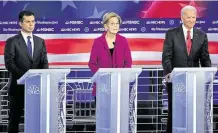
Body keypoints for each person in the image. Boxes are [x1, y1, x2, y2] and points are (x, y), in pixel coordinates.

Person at [162, 5, 211, 133]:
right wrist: (170, 75)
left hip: (195, 81)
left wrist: (207, 75)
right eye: (188, 17)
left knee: (194, 110)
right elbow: (166, 57)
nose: (191, 20)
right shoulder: (171, 34)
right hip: (175, 80)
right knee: (175, 111)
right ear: (182, 17)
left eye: (193, 17)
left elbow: (205, 58)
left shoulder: (202, 35)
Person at [4, 10, 49, 133]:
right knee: (14, 119)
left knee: (37, 119)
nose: (31, 24)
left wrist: (44, 78)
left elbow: (44, 62)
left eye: (33, 21)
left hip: (36, 88)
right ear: (20, 23)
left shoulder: (40, 41)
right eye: (28, 22)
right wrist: (26, 77)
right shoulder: (12, 41)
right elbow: (9, 63)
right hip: (18, 87)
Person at [88, 12, 132, 103]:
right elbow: (92, 63)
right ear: (106, 26)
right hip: (103, 84)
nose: (115, 26)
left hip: (118, 83)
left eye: (117, 23)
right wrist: (102, 76)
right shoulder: (98, 42)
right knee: (103, 112)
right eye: (112, 23)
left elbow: (128, 62)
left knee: (117, 113)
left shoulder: (123, 41)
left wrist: (121, 75)